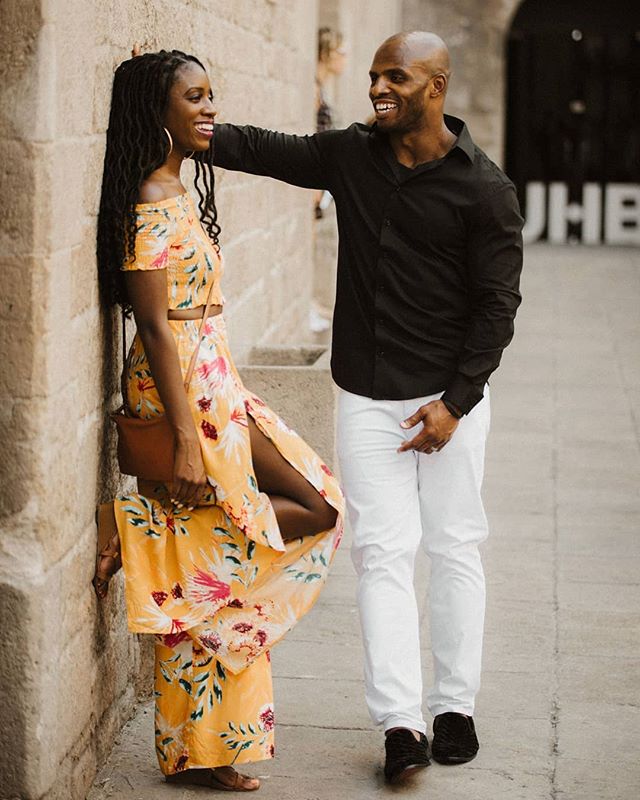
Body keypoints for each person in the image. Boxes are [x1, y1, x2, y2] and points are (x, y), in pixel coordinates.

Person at [210, 31, 523, 784]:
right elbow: (267, 148)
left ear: (437, 87)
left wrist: (454, 403)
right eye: (376, 75)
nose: (379, 87)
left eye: (397, 77)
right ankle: (401, 725)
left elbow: (497, 307)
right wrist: (191, 132)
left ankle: (454, 707)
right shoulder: (352, 155)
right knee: (383, 553)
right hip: (368, 398)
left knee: (452, 547)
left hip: (449, 403)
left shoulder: (485, 189)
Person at [94, 49, 343, 792]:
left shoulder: (176, 186)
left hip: (213, 381)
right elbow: (158, 327)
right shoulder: (147, 194)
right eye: (193, 97)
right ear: (157, 110)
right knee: (245, 545)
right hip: (184, 395)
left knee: (311, 508)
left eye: (212, 95)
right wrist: (182, 439)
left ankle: (137, 538)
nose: (208, 109)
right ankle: (204, 754)